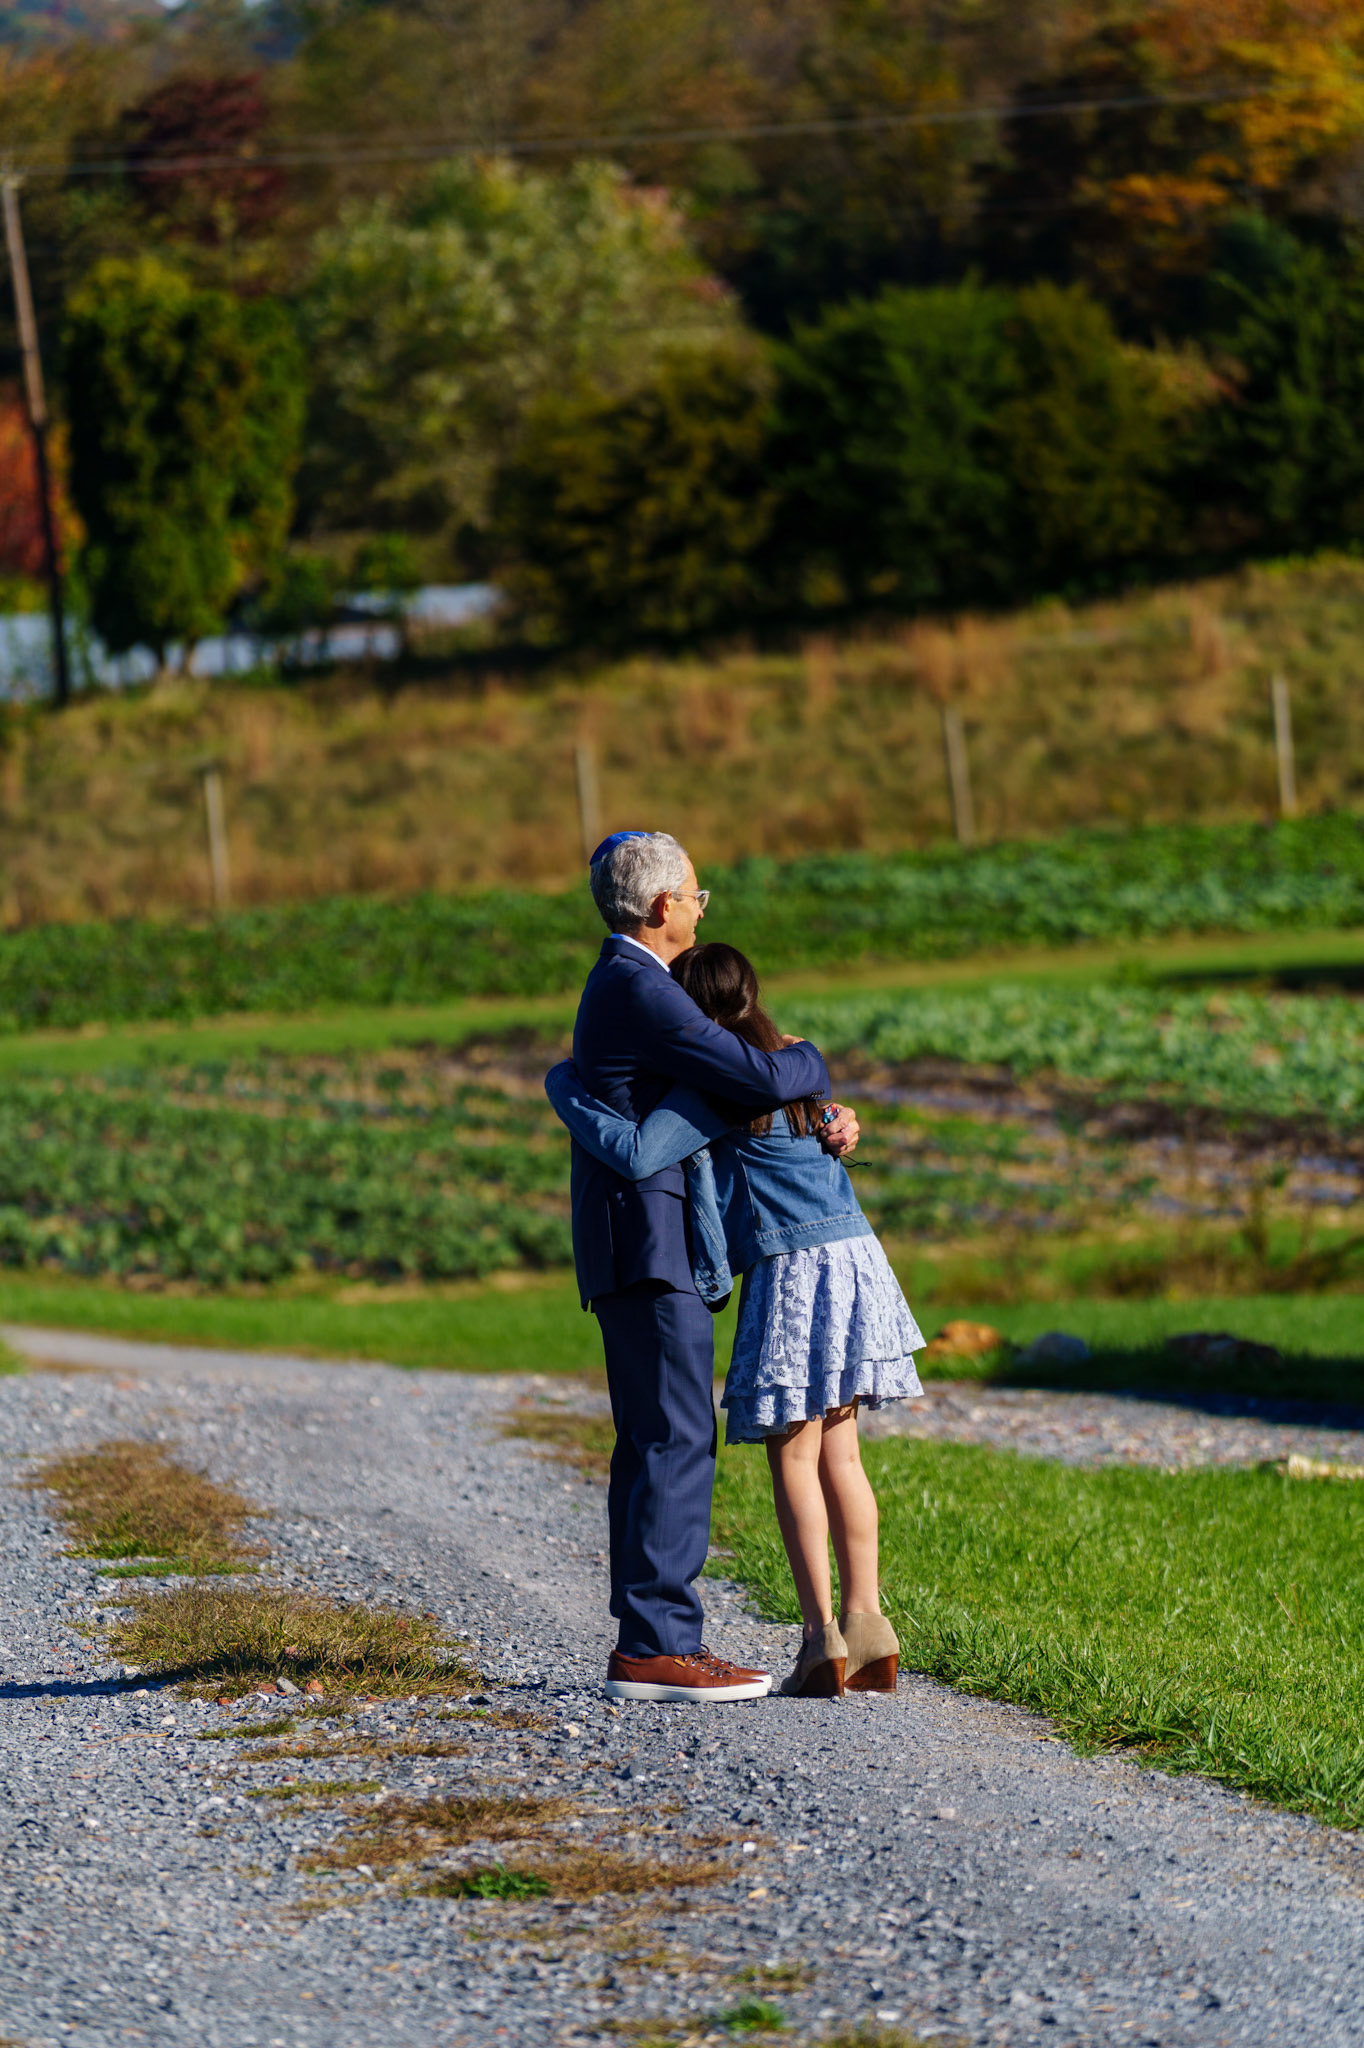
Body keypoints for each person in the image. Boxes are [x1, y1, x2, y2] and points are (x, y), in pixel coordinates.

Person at [547, 940, 923, 1700]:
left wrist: (565, 1087)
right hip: (858, 1261)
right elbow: (826, 1141)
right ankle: (870, 1619)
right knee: (844, 1457)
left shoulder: (708, 1087)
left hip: (791, 1271)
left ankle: (821, 1637)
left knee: (793, 1457)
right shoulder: (793, 1064)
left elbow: (661, 1165)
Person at [567, 831, 860, 1705]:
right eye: (697, 896)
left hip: (635, 1242)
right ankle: (660, 1647)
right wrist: (810, 1060)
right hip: (648, 1243)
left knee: (657, 1435)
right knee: (675, 1435)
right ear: (663, 907)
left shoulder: (626, 984)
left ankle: (649, 1638)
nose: (701, 908)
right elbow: (753, 1075)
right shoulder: (638, 987)